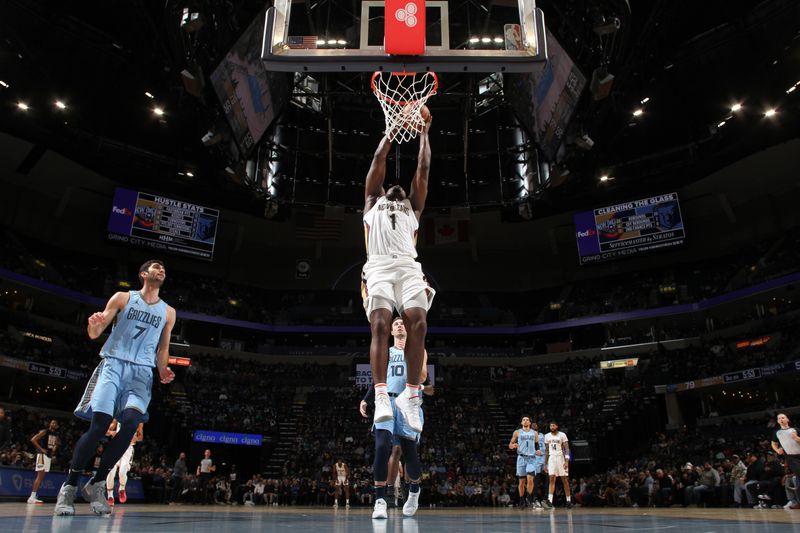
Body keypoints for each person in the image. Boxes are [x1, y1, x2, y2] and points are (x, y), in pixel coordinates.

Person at [54, 259, 176, 516]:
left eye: (163, 268)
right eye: (156, 267)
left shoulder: (168, 312)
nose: (161, 270)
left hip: (142, 372)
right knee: (99, 424)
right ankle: (69, 485)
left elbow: (163, 349)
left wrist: (163, 369)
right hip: (114, 364)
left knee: (131, 424)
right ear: (143, 274)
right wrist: (94, 323)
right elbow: (95, 333)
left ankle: (98, 482)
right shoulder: (123, 297)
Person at [361, 107, 434, 434]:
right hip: (377, 266)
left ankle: (412, 397)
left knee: (418, 323)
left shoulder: (413, 208)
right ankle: (381, 397)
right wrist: (392, 129)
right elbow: (378, 160)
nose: (396, 187)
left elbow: (424, 166)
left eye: (402, 188)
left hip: (407, 267)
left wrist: (424, 132)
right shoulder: (372, 199)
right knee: (380, 324)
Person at [359, 317, 428, 519]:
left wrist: (411, 357)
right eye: (395, 323)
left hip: (407, 402)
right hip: (385, 401)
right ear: (390, 331)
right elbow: (377, 379)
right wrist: (365, 399)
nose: (399, 325)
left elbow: (423, 377)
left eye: (402, 323)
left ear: (409, 330)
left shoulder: (418, 350)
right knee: (381, 447)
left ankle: (414, 490)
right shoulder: (385, 352)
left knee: (409, 452)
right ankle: (380, 500)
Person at [508, 416, 544, 509]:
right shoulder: (517, 432)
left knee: (530, 479)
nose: (525, 421)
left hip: (531, 458)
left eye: (527, 420)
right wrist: (513, 445)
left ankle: (528, 497)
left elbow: (537, 446)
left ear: (530, 423)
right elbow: (510, 444)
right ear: (521, 422)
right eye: (523, 419)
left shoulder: (535, 433)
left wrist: (538, 451)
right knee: (521, 481)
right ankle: (521, 500)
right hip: (521, 458)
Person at [106, 419, 144, 506]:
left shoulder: (139, 419)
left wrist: (136, 438)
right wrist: (112, 433)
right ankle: (110, 496)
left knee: (122, 472)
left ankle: (122, 489)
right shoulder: (118, 416)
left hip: (128, 448)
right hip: (115, 446)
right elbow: (106, 431)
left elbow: (141, 437)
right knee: (110, 472)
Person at [28, 419, 60, 504]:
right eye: (52, 422)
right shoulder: (45, 431)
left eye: (55, 423)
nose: (54, 424)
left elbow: (56, 444)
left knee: (41, 477)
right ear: (50, 424)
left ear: (57, 426)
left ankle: (34, 495)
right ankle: (32, 497)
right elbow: (33, 439)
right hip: (42, 455)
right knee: (39, 476)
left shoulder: (56, 435)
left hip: (48, 456)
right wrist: (41, 449)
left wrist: (53, 451)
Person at [772, 413, 800, 509]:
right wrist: (777, 450)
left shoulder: (795, 430)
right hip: (791, 457)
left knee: (798, 479)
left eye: (783, 417)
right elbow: (773, 443)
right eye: (779, 418)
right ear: (777, 421)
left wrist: (797, 438)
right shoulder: (777, 433)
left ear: (787, 419)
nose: (781, 419)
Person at [544, 421, 572, 509]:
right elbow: (547, 451)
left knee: (565, 480)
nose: (551, 427)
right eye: (550, 426)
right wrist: (545, 463)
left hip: (561, 458)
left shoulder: (562, 435)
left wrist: (567, 461)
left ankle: (568, 501)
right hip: (552, 458)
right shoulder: (547, 436)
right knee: (552, 479)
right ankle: (549, 501)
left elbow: (567, 449)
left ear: (557, 426)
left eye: (553, 425)